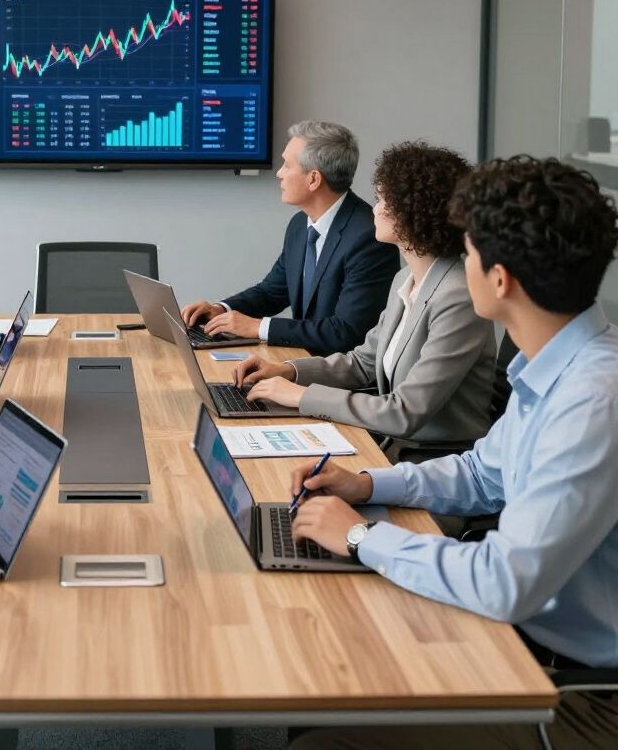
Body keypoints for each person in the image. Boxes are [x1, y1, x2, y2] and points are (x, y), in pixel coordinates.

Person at [288, 156, 618, 750]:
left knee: (324, 738)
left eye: (466, 254)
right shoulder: (560, 367)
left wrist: (362, 538)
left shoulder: (593, 400)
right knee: (324, 673)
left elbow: (505, 582)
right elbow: (481, 472)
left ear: (500, 279)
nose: (456, 267)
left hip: (579, 695)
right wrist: (366, 485)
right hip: (532, 646)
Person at [232, 142, 496, 460]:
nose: (374, 208)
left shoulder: (458, 297)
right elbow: (363, 364)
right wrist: (288, 370)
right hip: (392, 445)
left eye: (384, 199)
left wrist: (301, 397)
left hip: (435, 458)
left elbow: (404, 412)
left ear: (414, 212)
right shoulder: (406, 280)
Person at [181, 121, 399, 355]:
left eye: (286, 165)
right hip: (300, 362)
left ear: (313, 179)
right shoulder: (299, 224)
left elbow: (345, 332)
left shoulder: (369, 237)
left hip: (339, 378)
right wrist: (221, 309)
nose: (279, 173)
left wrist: (259, 327)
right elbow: (272, 291)